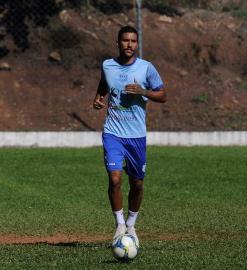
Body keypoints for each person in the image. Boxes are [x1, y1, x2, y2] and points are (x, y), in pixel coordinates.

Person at [92, 25, 166, 246]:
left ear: (137, 43)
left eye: (133, 41)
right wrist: (98, 97)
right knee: (115, 178)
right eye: (125, 41)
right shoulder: (108, 65)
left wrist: (143, 92)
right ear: (118, 42)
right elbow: (105, 82)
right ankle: (120, 224)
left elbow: (162, 95)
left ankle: (132, 224)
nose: (129, 45)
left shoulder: (146, 68)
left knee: (138, 184)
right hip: (113, 132)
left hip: (136, 135)